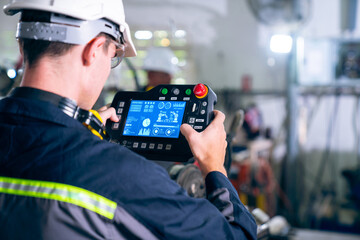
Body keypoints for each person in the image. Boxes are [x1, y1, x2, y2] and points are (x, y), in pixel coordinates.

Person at [0, 0, 257, 239]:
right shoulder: (123, 176)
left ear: (22, 46)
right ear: (94, 50)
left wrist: (76, 130)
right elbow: (237, 234)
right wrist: (215, 168)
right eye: (112, 57)